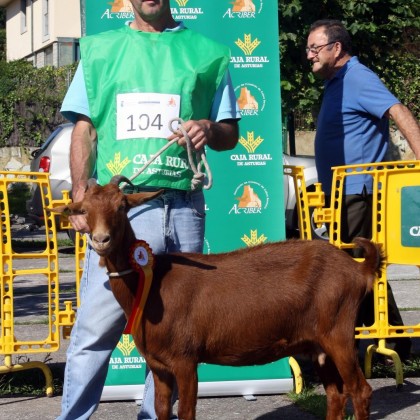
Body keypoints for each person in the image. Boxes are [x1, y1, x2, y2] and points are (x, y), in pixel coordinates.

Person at [58, 1, 240, 419]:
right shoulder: (101, 50)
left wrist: (209, 129)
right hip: (124, 214)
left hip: (184, 209)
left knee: (173, 334)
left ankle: (153, 415)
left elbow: (230, 132)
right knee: (94, 331)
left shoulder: (208, 52)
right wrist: (82, 193)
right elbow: (83, 128)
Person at [306, 19, 420, 362]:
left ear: (336, 48)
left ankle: (349, 348)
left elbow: (398, 110)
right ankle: (392, 344)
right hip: (343, 191)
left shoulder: (358, 77)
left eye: (315, 47)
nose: (308, 54)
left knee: (351, 269)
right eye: (307, 48)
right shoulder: (336, 82)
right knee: (358, 267)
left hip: (359, 191)